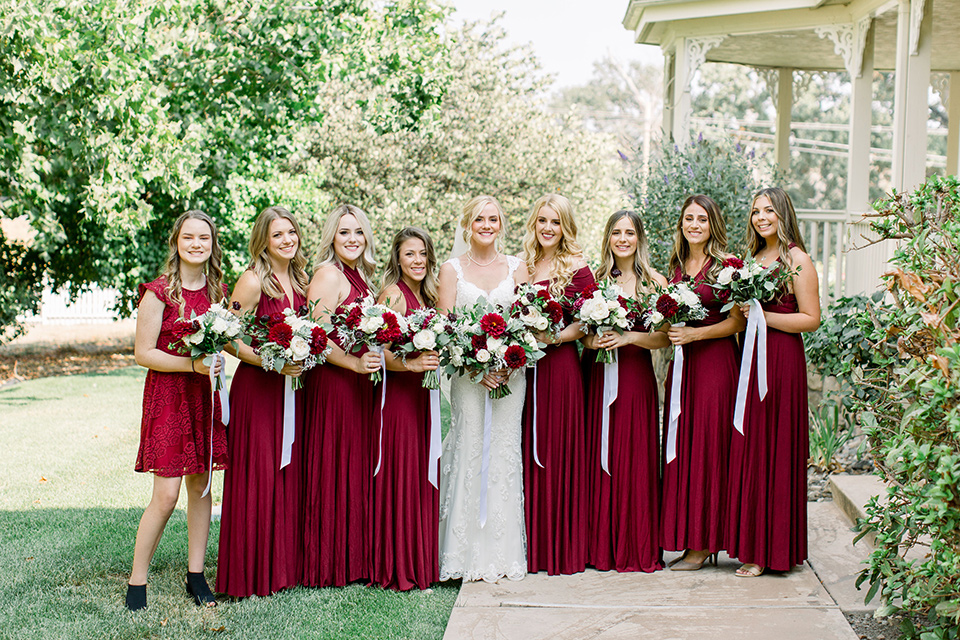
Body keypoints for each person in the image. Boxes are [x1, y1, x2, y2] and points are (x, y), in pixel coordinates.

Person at [126, 210, 228, 610]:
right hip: (169, 395)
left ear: (212, 244)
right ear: (177, 242)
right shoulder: (158, 292)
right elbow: (142, 353)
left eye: (204, 238)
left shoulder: (219, 293)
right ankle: (137, 581)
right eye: (189, 237)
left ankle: (196, 575)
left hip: (205, 394)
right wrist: (191, 364)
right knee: (166, 494)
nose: (196, 244)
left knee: (201, 487)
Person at [725, 188, 820, 577]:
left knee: (776, 449)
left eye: (768, 210)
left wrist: (764, 318)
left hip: (781, 362)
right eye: (755, 211)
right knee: (752, 447)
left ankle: (773, 549)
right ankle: (752, 543)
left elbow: (811, 318)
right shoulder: (753, 259)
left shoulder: (797, 258)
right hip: (751, 359)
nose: (761, 217)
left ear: (783, 214)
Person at [436, 195, 529, 583]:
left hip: (511, 377)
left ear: (501, 224)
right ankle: (461, 555)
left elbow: (527, 321)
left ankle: (503, 555)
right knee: (470, 448)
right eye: (479, 220)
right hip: (468, 379)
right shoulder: (450, 269)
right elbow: (443, 330)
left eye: (493, 219)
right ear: (466, 225)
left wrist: (508, 364)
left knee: (504, 454)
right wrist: (475, 369)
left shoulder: (517, 266)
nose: (486, 225)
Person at [216, 206, 308, 597]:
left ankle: (284, 567)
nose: (287, 240)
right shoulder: (252, 281)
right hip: (259, 390)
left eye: (291, 232)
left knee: (288, 474)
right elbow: (226, 335)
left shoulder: (302, 280)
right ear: (263, 241)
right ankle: (250, 572)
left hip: (294, 390)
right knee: (259, 475)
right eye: (278, 235)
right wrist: (268, 360)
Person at [660, 194, 745, 571]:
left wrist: (696, 335)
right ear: (681, 224)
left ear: (713, 225)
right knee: (684, 444)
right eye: (689, 219)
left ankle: (705, 543)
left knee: (708, 448)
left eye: (702, 219)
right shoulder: (676, 268)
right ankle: (690, 534)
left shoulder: (726, 267)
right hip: (682, 367)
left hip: (714, 365)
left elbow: (737, 322)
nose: (694, 225)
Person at [582, 210, 670, 573]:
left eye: (629, 232)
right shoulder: (593, 280)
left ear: (639, 239)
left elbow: (664, 337)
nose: (622, 239)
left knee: (634, 458)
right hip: (599, 376)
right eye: (616, 232)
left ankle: (637, 546)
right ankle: (599, 547)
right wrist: (595, 340)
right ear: (608, 238)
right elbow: (582, 336)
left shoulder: (654, 282)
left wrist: (629, 336)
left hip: (635, 379)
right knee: (599, 458)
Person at [302, 204, 382, 587]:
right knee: (335, 465)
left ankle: (353, 557)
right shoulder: (328, 274)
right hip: (335, 384)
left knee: (354, 466)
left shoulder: (359, 276)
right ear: (332, 236)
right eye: (344, 232)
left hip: (359, 384)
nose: (352, 239)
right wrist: (352, 365)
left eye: (359, 232)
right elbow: (314, 337)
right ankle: (328, 562)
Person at [519, 194, 593, 575]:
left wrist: (557, 337)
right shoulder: (525, 266)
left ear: (566, 227)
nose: (548, 228)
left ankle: (561, 547)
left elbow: (591, 319)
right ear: (534, 223)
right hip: (524, 371)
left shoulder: (577, 267)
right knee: (525, 448)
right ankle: (531, 543)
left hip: (560, 369)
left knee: (557, 450)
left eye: (556, 222)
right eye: (542, 221)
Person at [372, 227, 442, 591]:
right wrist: (411, 365)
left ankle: (422, 560)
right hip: (399, 399)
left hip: (422, 397)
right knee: (404, 474)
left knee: (420, 472)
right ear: (397, 258)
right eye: (410, 254)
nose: (417, 261)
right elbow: (378, 351)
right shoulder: (393, 295)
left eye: (422, 254)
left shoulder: (427, 295)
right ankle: (400, 564)